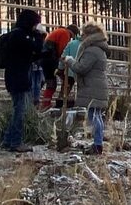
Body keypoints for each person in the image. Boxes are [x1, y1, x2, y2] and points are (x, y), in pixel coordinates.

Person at [0, 8, 43, 152]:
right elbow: (37, 48)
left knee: (17, 110)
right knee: (20, 112)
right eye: (35, 24)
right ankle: (16, 142)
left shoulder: (15, 35)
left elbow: (29, 55)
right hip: (19, 78)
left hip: (14, 77)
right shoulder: (21, 36)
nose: (36, 27)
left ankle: (8, 140)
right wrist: (39, 35)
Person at [69, 23, 112, 155]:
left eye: (83, 34)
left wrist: (70, 61)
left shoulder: (91, 50)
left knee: (93, 116)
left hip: (92, 87)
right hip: (97, 86)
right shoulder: (99, 49)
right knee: (97, 115)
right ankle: (98, 144)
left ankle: (98, 145)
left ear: (89, 35)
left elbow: (81, 68)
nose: (81, 37)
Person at [40, 22, 73, 109]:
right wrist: (63, 62)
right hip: (50, 60)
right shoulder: (65, 33)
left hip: (46, 60)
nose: (70, 39)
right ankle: (46, 105)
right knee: (52, 83)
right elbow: (62, 49)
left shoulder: (59, 32)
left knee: (50, 83)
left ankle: (45, 104)